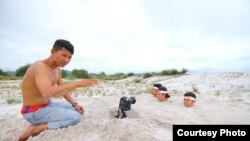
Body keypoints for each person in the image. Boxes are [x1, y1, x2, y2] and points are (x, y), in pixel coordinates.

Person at [17, 39, 98, 141]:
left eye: (69, 57)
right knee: (75, 118)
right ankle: (35, 129)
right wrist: (77, 84)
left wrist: (75, 104)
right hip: (33, 112)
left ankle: (39, 124)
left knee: (77, 111)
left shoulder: (57, 69)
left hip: (47, 105)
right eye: (64, 55)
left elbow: (62, 89)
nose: (66, 60)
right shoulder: (39, 67)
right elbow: (48, 92)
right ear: (53, 52)